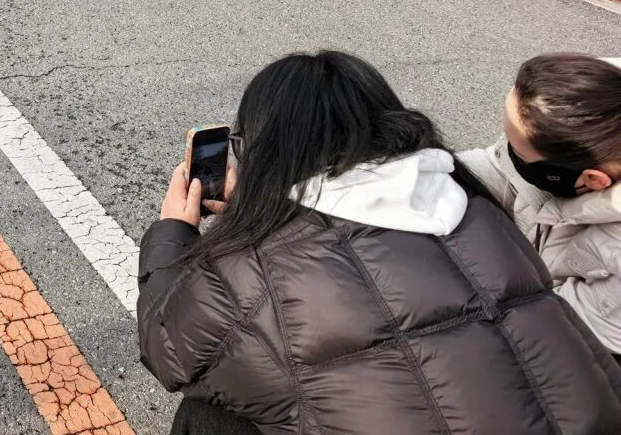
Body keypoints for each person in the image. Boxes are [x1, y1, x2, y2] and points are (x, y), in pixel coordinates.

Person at [139, 51, 621, 435]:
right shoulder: (479, 208)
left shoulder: (249, 272)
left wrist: (173, 232)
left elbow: (168, 351)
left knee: (212, 414)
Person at [460, 54, 621, 358]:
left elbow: (566, 332)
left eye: (520, 154)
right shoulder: (583, 101)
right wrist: (429, 168)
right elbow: (499, 168)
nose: (509, 151)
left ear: (594, 180)